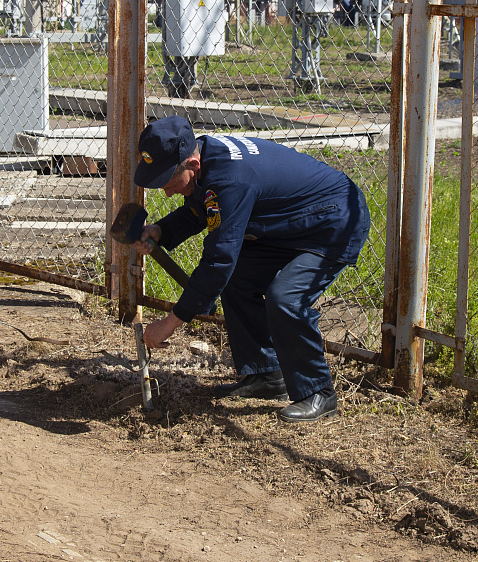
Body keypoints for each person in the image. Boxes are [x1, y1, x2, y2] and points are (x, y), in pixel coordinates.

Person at [131, 115, 370, 424]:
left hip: (333, 221)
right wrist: (161, 230)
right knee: (239, 277)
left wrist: (171, 322)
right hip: (291, 225)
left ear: (192, 163)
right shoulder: (208, 159)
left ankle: (318, 392)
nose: (167, 192)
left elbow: (218, 261)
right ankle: (267, 375)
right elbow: (203, 209)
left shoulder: (231, 177)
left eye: (169, 181)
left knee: (285, 297)